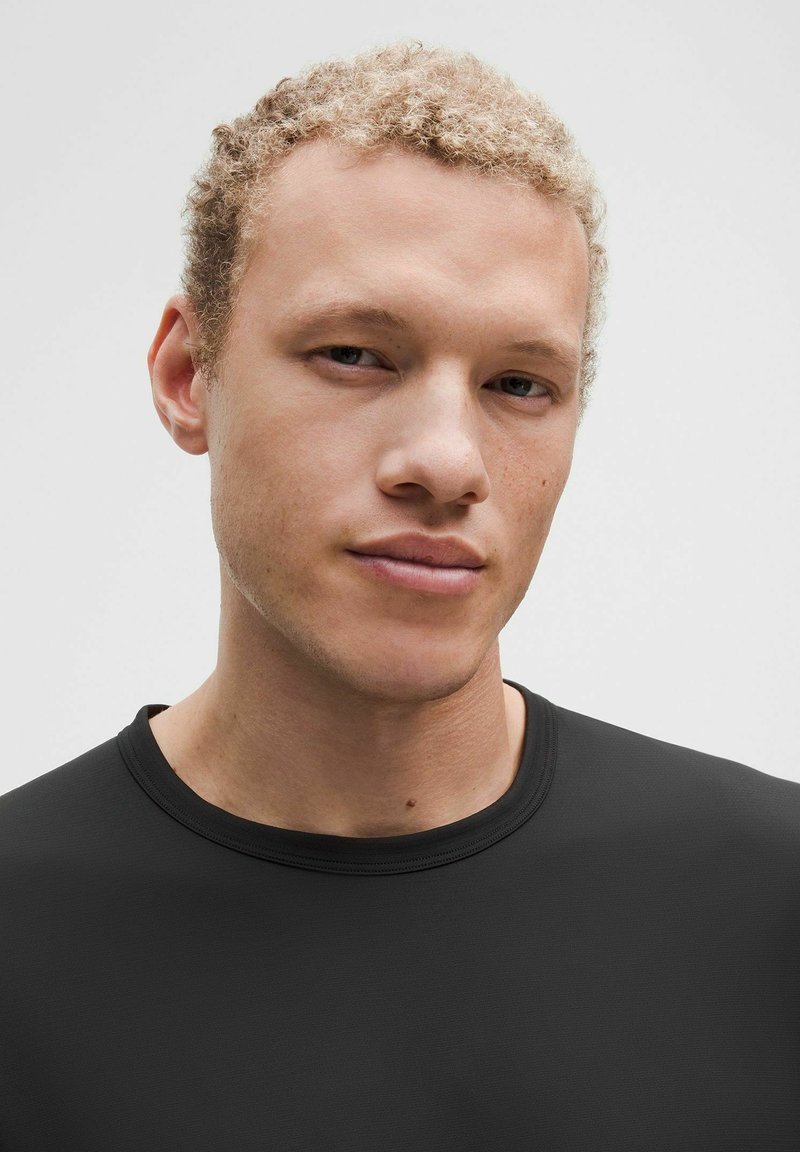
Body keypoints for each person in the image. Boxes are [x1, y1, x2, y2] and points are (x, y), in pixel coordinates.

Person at [2, 39, 798, 1151]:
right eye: (354, 355)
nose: (446, 461)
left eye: (518, 383)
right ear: (188, 377)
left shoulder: (770, 900)